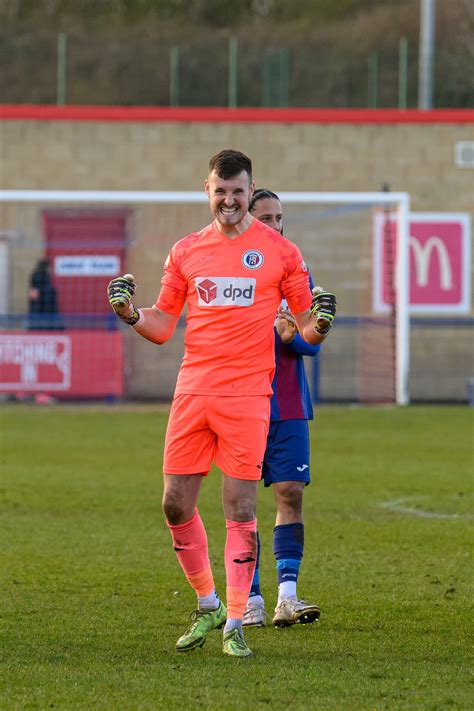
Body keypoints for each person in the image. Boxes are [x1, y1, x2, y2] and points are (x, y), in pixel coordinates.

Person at [107, 149, 337, 659]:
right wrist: (129, 313)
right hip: (193, 391)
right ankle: (208, 602)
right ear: (207, 191)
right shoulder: (186, 251)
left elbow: (306, 328)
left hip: (249, 395)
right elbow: (164, 324)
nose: (229, 200)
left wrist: (320, 322)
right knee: (174, 503)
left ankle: (235, 621)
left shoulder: (280, 251)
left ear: (248, 191)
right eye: (221, 190)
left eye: (237, 191)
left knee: (240, 507)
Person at [243, 188, 322, 629]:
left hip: (289, 403)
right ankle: (249, 597)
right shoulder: (235, 273)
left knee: (290, 494)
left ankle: (286, 598)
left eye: (279, 218)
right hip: (243, 400)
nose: (274, 225)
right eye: (266, 218)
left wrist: (297, 337)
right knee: (243, 503)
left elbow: (312, 342)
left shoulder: (296, 270)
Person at [28, 258, 61, 330]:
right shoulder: (47, 285)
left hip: (36, 320)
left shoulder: (34, 284)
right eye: (50, 268)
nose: (51, 270)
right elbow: (50, 305)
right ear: (47, 268)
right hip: (47, 320)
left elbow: (33, 301)